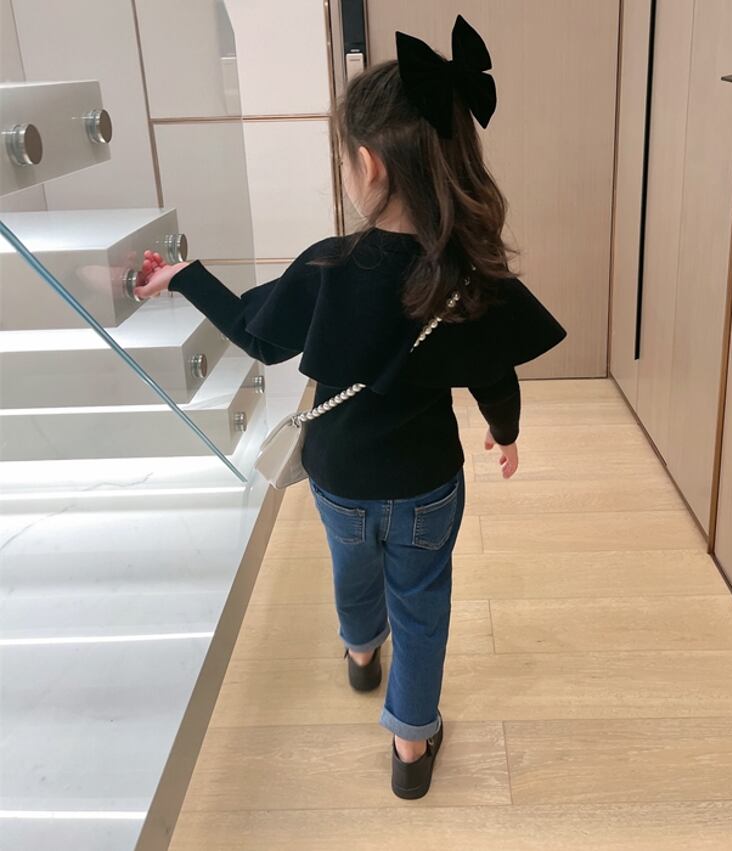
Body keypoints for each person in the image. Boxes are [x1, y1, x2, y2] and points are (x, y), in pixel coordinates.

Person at [135, 15, 566, 800]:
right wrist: (504, 433)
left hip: (338, 477)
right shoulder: (468, 275)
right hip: (427, 482)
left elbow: (255, 335)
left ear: (368, 165)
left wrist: (185, 276)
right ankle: (410, 741)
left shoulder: (329, 267)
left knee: (351, 566)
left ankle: (361, 652)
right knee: (422, 601)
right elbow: (493, 373)